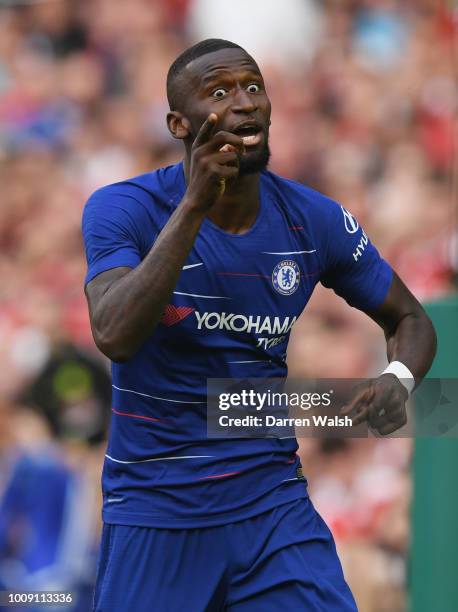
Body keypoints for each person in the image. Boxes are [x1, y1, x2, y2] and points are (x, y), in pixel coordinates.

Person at [82, 38, 436, 612]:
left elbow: (411, 319)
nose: (244, 103)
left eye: (253, 87)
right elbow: (114, 334)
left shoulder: (313, 219)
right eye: (219, 92)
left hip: (271, 506)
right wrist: (195, 204)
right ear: (179, 123)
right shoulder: (122, 208)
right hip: (156, 508)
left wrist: (397, 379)